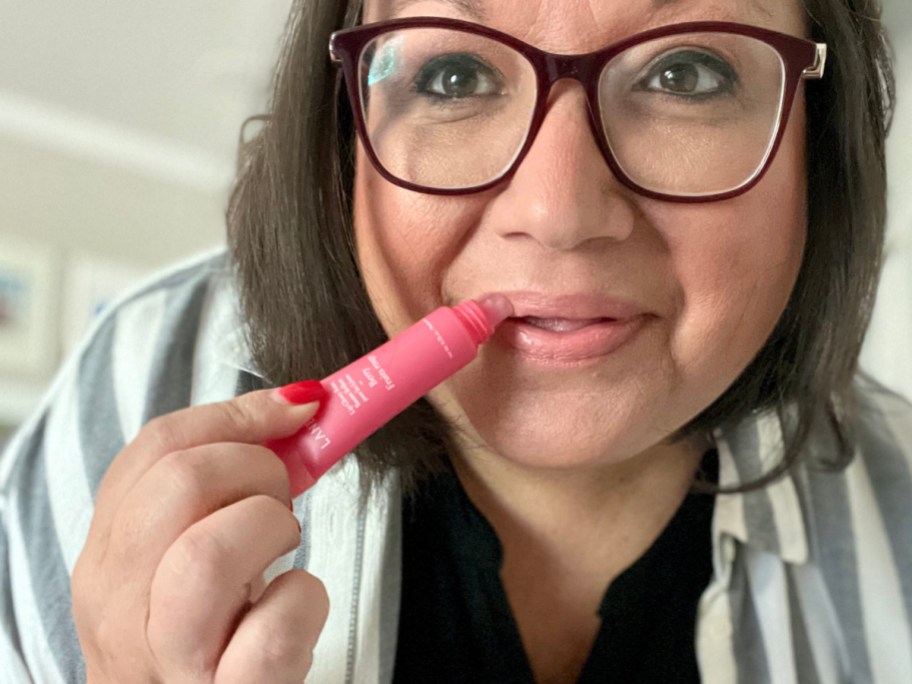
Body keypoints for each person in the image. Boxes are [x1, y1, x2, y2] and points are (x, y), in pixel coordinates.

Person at [1, 0, 909, 681]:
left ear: (818, 151)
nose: (558, 214)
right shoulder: (143, 382)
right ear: (339, 130)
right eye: (453, 77)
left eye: (687, 75)